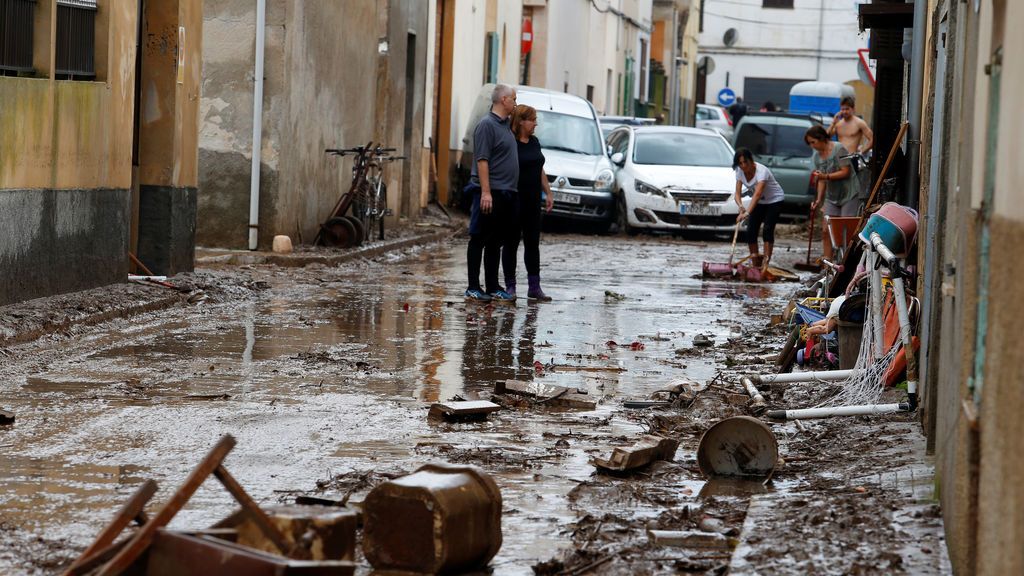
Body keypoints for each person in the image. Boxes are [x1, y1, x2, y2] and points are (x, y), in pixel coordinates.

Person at [465, 83, 519, 303]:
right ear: (504, 100)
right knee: (479, 238)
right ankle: (473, 287)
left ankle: (493, 286)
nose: (516, 103)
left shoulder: (505, 125)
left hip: (506, 193)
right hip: (490, 192)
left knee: (496, 241)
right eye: (514, 99)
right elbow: (482, 160)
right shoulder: (487, 125)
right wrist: (486, 192)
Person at [503, 104, 554, 301]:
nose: (535, 124)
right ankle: (510, 287)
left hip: (533, 201)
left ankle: (534, 287)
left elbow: (539, 168)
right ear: (521, 122)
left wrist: (548, 192)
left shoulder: (534, 142)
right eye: (532, 119)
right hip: (514, 200)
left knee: (533, 244)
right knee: (511, 243)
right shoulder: (510, 143)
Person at [806, 124, 856, 260]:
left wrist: (825, 176)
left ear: (821, 138)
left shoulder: (839, 148)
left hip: (849, 193)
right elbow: (821, 180)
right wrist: (818, 199)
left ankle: (845, 261)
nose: (812, 146)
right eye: (809, 143)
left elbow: (846, 171)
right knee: (826, 230)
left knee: (845, 231)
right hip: (832, 196)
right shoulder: (817, 157)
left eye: (813, 142)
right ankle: (827, 262)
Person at [733, 147, 785, 271]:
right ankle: (755, 263)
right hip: (760, 202)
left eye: (746, 162)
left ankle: (765, 264)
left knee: (767, 229)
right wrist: (740, 206)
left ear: (751, 161)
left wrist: (746, 212)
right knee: (751, 230)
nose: (744, 166)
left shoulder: (762, 171)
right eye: (740, 163)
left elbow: (757, 194)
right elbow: (737, 193)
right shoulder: (739, 171)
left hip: (774, 200)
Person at [828, 96, 874, 198]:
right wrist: (833, 122)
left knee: (852, 187)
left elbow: (872, 139)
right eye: (842, 109)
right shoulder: (838, 124)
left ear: (853, 109)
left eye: (847, 109)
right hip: (838, 158)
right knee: (838, 187)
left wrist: (863, 151)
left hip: (851, 158)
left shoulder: (859, 123)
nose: (844, 112)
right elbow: (826, 137)